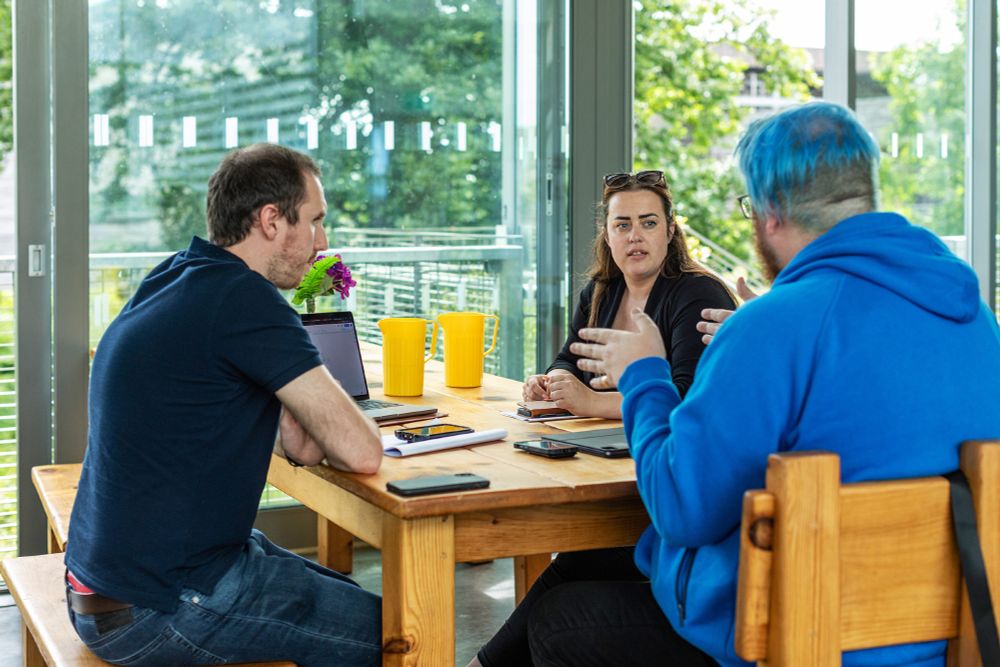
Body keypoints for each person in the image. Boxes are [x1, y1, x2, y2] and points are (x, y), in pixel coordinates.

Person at [478, 101, 1000, 667]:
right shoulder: (976, 319)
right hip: (946, 636)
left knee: (560, 623)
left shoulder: (773, 326)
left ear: (769, 213)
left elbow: (681, 509)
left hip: (794, 640)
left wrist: (646, 375)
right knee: (591, 565)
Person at [65, 144, 385, 667]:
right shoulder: (245, 300)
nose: (323, 242)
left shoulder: (177, 273)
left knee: (355, 597)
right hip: (159, 607)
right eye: (315, 221)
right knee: (402, 632)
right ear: (271, 220)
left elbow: (302, 447)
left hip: (104, 589)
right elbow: (363, 452)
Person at [522, 170, 735, 418]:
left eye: (649, 223)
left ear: (669, 231)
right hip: (607, 438)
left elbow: (688, 398)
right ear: (607, 236)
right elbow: (569, 360)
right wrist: (553, 383)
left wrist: (591, 402)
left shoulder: (700, 293)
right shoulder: (600, 290)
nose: (635, 236)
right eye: (622, 225)